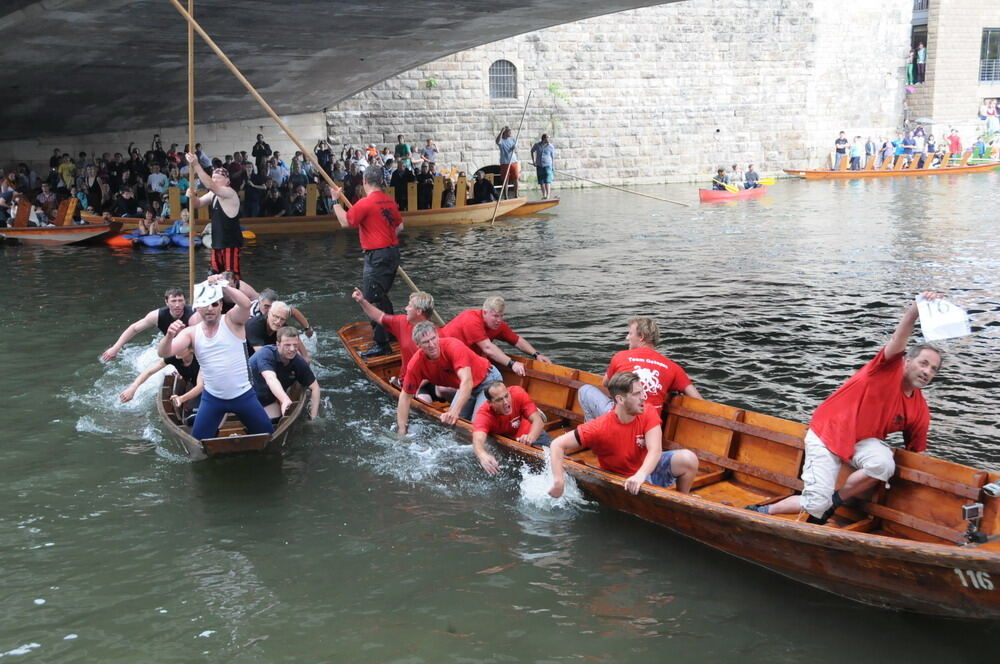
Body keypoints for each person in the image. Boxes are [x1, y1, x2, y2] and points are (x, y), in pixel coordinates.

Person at [747, 293, 945, 524]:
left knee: (883, 465)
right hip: (828, 432)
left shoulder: (920, 411)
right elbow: (898, 339)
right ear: (907, 362)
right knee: (815, 504)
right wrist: (914, 311)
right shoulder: (885, 368)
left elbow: (917, 455)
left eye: (933, 369)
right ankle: (764, 510)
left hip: (861, 441)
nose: (927, 372)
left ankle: (835, 501)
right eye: (923, 363)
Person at [548, 372, 699, 498]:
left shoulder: (648, 411)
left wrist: (641, 475)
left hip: (647, 470)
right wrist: (558, 481)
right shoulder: (600, 427)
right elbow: (557, 445)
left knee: (689, 458)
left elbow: (655, 450)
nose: (643, 397)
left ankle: (682, 499)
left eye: (642, 392)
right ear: (620, 399)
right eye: (637, 394)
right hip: (625, 481)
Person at [157, 277, 273, 440]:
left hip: (243, 394)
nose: (210, 308)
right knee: (198, 441)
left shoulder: (232, 320)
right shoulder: (191, 332)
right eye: (205, 305)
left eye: (214, 304)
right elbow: (164, 352)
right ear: (198, 308)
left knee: (267, 435)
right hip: (213, 398)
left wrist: (224, 286)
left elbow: (246, 304)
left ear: (221, 306)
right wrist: (169, 335)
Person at [327, 164, 403, 358]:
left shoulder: (366, 203)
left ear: (365, 181)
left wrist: (335, 200)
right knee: (381, 295)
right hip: (392, 253)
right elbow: (400, 226)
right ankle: (392, 333)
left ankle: (382, 344)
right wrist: (385, 238)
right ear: (381, 181)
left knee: (372, 299)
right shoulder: (389, 201)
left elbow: (345, 222)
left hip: (377, 256)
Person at [577, 317, 702, 422]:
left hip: (622, 421)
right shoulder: (673, 367)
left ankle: (593, 435)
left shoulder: (620, 356)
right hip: (650, 427)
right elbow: (698, 400)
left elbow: (605, 384)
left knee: (585, 390)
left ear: (641, 336)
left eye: (630, 333)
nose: (627, 338)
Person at [397, 322, 502, 435]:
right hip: (467, 388)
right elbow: (405, 397)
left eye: (433, 338)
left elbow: (467, 381)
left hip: (488, 381)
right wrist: (402, 430)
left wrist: (454, 412)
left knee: (476, 428)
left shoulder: (453, 346)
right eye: (426, 342)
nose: (432, 344)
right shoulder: (416, 363)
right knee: (451, 428)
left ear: (437, 336)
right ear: (418, 345)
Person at [441, 296, 551, 377]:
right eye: (495, 316)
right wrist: (512, 364)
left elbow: (517, 341)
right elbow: (487, 348)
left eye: (501, 316)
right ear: (484, 313)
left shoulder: (498, 325)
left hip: (463, 359)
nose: (499, 320)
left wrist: (536, 354)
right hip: (443, 356)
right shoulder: (471, 320)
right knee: (492, 375)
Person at [352, 287, 435, 386]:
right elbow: (380, 316)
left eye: (410, 306)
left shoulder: (437, 334)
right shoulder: (402, 322)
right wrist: (362, 301)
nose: (406, 308)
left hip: (428, 382)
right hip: (407, 380)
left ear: (419, 312)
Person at [472, 381, 551, 474]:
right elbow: (478, 438)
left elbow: (538, 421)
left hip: (533, 433)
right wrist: (482, 455)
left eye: (506, 396)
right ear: (490, 403)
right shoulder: (484, 414)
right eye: (499, 400)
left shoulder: (518, 393)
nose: (506, 402)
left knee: (557, 454)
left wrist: (530, 437)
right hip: (510, 446)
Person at [101, 287, 201, 361]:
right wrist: (115, 348)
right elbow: (134, 328)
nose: (177, 305)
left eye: (180, 300)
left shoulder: (194, 317)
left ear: (185, 301)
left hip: (191, 349)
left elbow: (200, 343)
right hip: (169, 346)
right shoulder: (157, 315)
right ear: (166, 302)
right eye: (173, 301)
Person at [186, 153, 243, 279]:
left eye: (218, 178)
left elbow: (210, 185)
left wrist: (196, 165)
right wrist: (192, 196)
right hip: (216, 243)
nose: (214, 180)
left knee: (231, 278)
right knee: (214, 276)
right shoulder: (213, 195)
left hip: (230, 244)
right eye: (213, 177)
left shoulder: (230, 192)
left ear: (227, 180)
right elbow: (197, 204)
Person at [249, 327, 320, 420]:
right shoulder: (265, 354)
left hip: (267, 401)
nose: (292, 349)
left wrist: (313, 417)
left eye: (295, 345)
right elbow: (271, 378)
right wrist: (285, 400)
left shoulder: (298, 361)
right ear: (278, 344)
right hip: (246, 398)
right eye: (287, 345)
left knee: (275, 420)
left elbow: (315, 388)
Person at [119, 345, 201, 406]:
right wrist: (133, 387)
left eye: (179, 348)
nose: (175, 350)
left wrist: (181, 398)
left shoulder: (201, 359)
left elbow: (201, 386)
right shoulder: (174, 357)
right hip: (194, 385)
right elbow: (149, 372)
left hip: (206, 388)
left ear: (191, 350)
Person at [245, 300, 312, 362]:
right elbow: (262, 354)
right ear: (269, 313)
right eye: (276, 316)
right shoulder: (254, 326)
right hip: (249, 359)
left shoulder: (282, 326)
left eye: (282, 319)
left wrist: (305, 356)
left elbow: (294, 338)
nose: (278, 321)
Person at [495, 126, 520, 198]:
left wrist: (514, 148)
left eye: (510, 131)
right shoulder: (501, 140)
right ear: (505, 133)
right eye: (509, 132)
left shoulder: (513, 140)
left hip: (514, 162)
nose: (510, 133)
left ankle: (516, 195)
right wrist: (501, 131)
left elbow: (515, 148)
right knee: (505, 180)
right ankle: (506, 196)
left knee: (515, 178)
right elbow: (497, 141)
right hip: (505, 163)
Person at [530, 134, 555, 199]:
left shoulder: (551, 146)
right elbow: (532, 151)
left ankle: (548, 195)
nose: (549, 139)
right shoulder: (537, 145)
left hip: (548, 165)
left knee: (547, 181)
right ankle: (544, 195)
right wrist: (533, 161)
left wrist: (552, 166)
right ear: (544, 138)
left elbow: (552, 157)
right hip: (539, 165)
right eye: (548, 138)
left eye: (549, 138)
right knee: (541, 181)